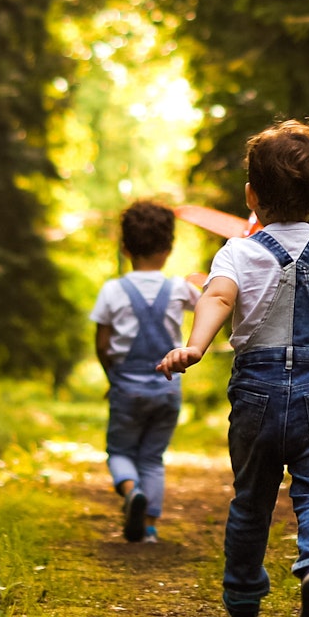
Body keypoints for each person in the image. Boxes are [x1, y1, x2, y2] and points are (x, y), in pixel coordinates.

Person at [156, 121, 309, 617]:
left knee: (252, 498)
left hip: (258, 393)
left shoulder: (238, 253)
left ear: (251, 197)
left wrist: (197, 345)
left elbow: (216, 298)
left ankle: (242, 599)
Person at [91, 199, 197, 543]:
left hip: (127, 387)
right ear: (169, 248)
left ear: (124, 247)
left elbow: (103, 344)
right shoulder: (179, 288)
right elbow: (213, 302)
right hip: (167, 390)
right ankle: (149, 528)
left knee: (120, 452)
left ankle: (131, 490)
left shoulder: (112, 290)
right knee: (152, 457)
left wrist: (113, 378)